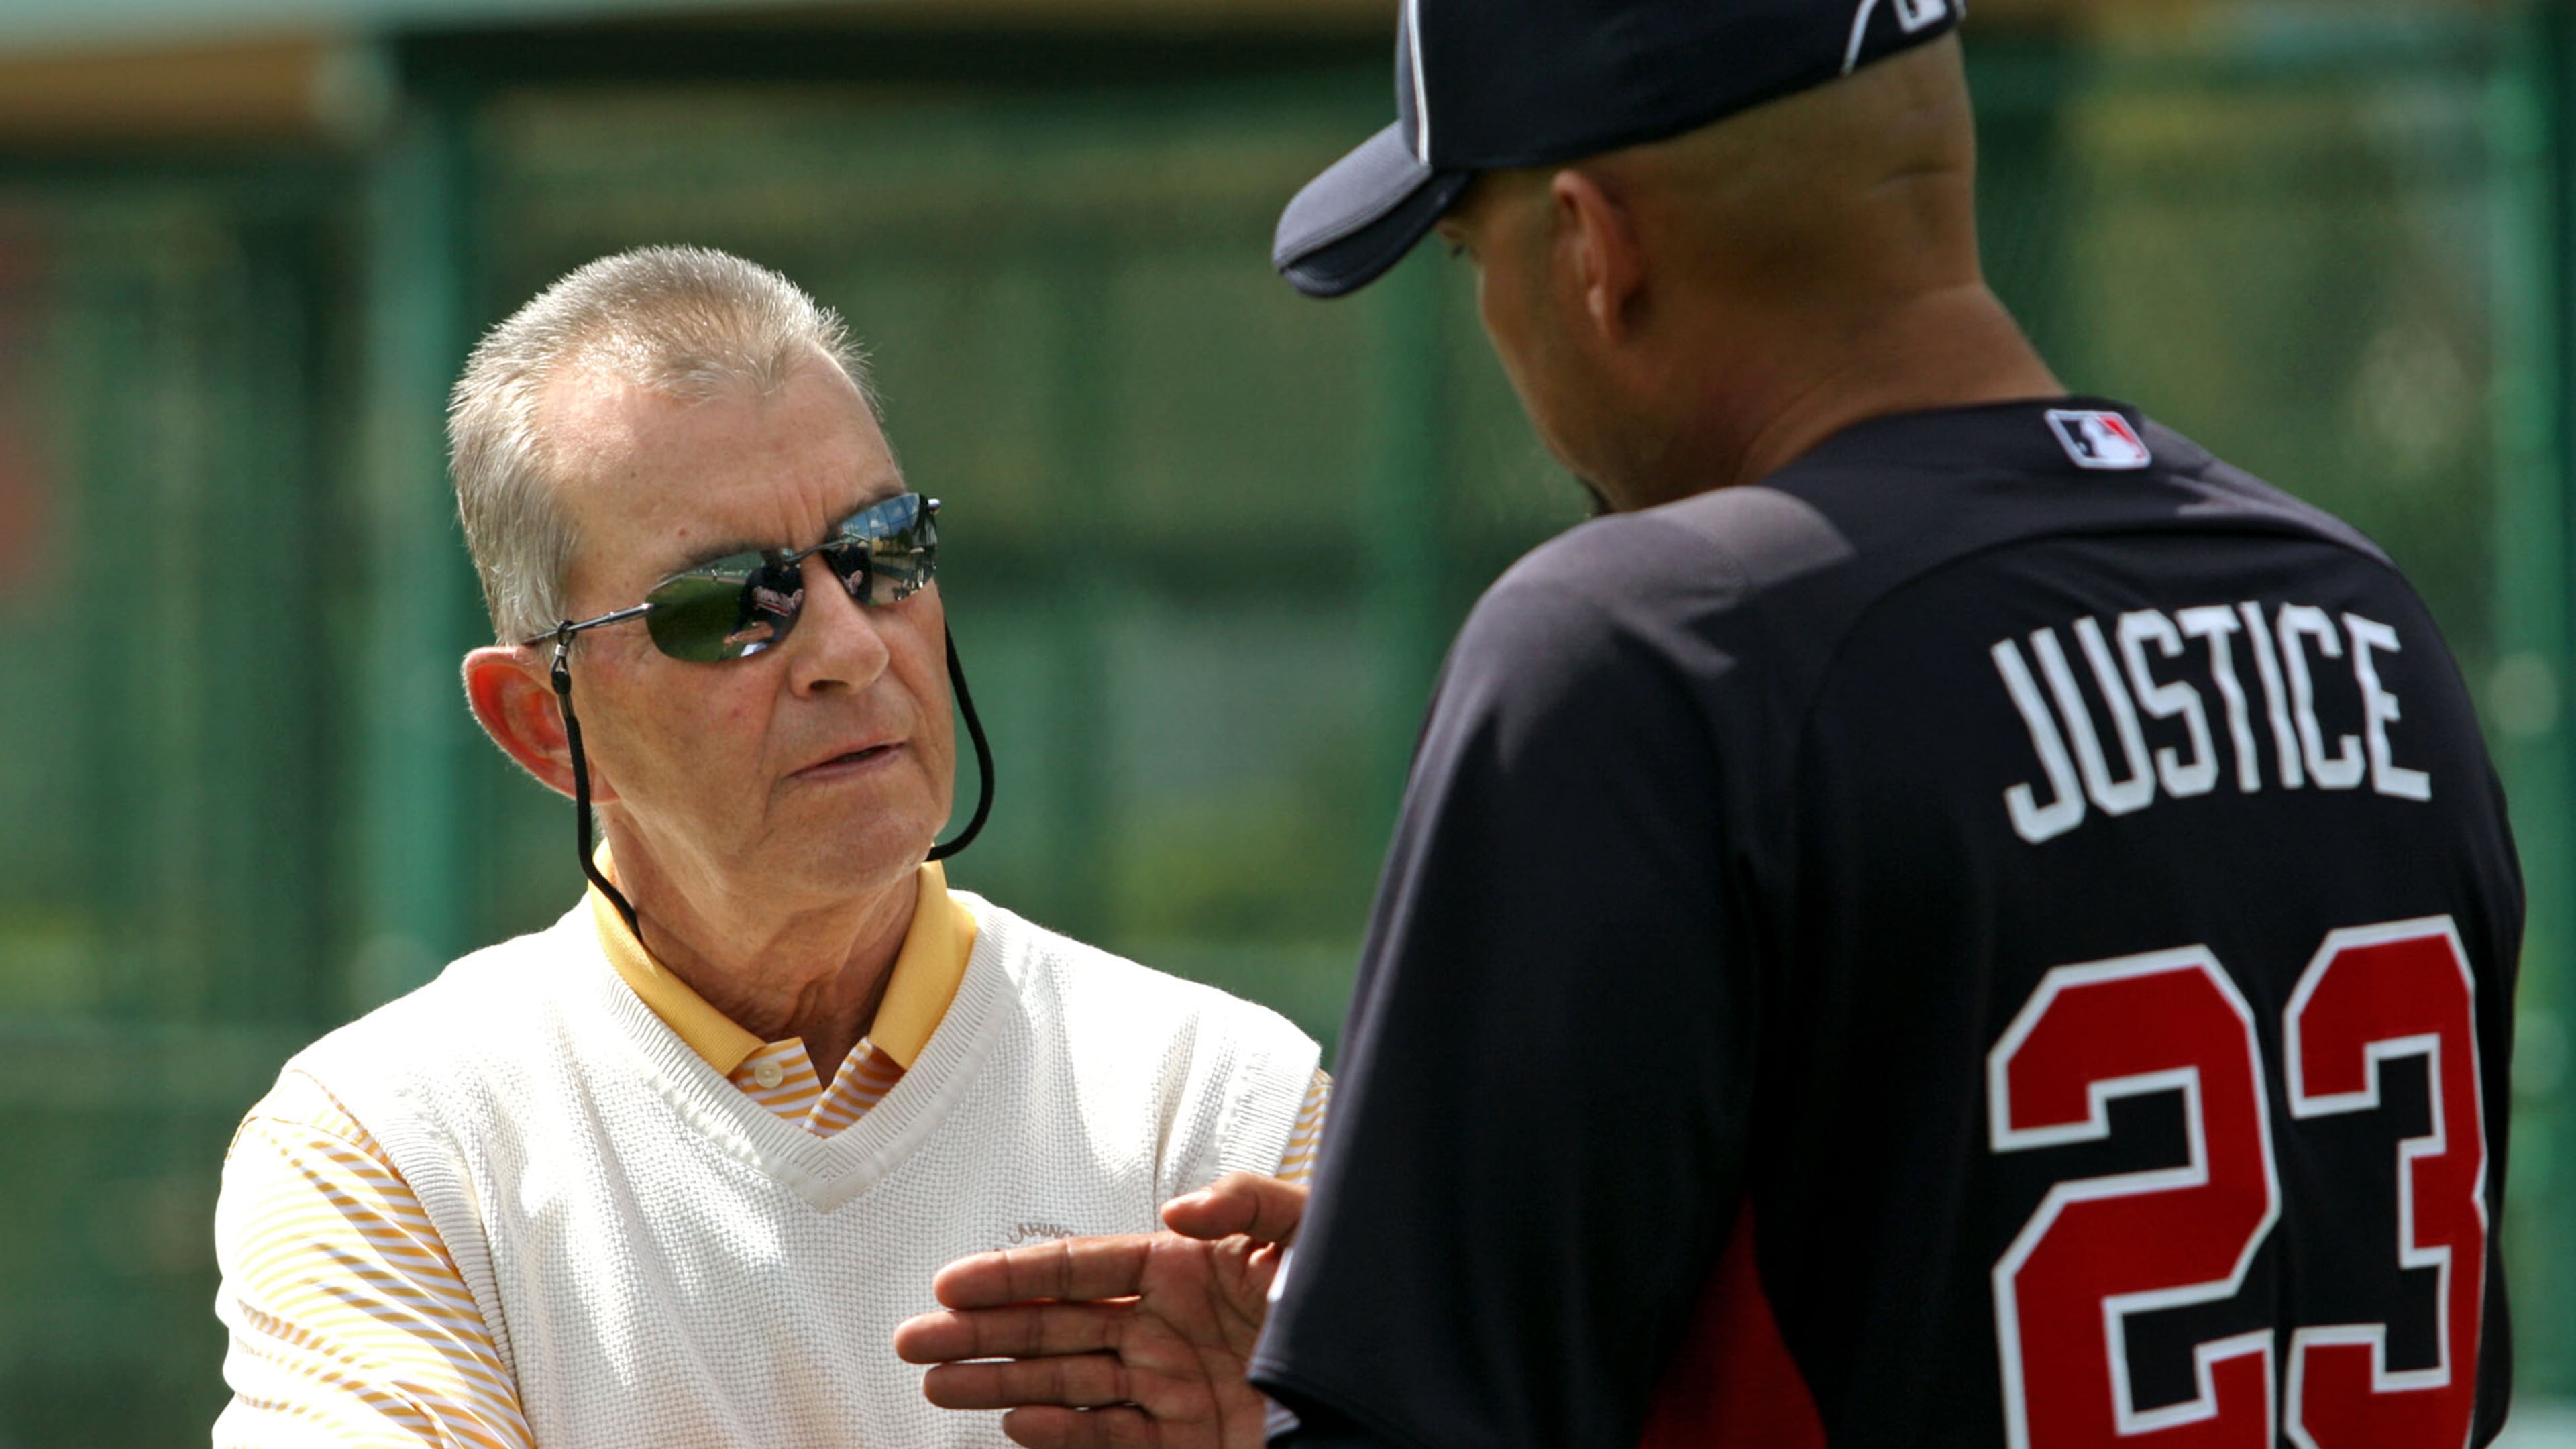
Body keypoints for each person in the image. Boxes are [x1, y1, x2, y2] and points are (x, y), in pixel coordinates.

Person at [896, 3, 2522, 1446]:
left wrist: (1371, 1383)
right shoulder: (2363, 619)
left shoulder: (1647, 650)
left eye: (1473, 255)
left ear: (1597, 248)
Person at [210, 246, 1331, 1448]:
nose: (850, 646)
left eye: (882, 550)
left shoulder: (1220, 1111)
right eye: (728, 602)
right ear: (544, 719)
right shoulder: (389, 1152)